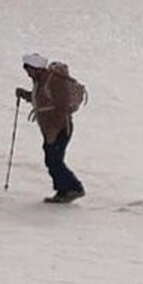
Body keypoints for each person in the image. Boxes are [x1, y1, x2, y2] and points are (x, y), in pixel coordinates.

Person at [16, 53, 85, 203]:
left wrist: (53, 131)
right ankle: (64, 190)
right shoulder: (41, 80)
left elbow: (62, 107)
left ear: (37, 69)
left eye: (29, 70)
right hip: (51, 129)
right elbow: (42, 99)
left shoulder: (54, 81)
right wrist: (25, 95)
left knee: (54, 160)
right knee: (53, 160)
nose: (28, 74)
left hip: (60, 129)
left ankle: (73, 188)